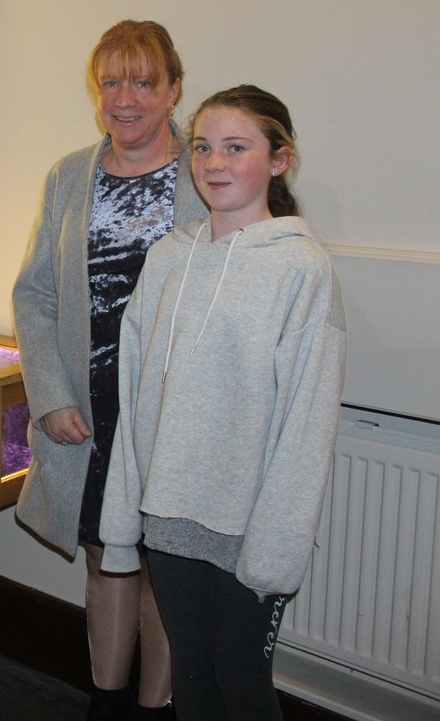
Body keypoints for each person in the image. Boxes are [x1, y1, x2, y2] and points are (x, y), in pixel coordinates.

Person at [100, 86, 347, 719]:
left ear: (279, 159)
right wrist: (126, 516)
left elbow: (306, 422)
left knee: (241, 680)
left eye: (236, 148)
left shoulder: (301, 269)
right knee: (192, 672)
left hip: (249, 525)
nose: (214, 163)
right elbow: (135, 396)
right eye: (204, 147)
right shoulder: (167, 260)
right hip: (171, 514)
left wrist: (275, 548)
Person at [12, 21, 206, 719]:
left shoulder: (206, 177)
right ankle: (108, 702)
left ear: (174, 89)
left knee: (163, 569)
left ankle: (157, 708)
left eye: (143, 81)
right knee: (106, 561)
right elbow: (34, 294)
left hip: (172, 412)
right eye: (111, 82)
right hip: (91, 411)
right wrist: (50, 395)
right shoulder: (70, 176)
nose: (124, 98)